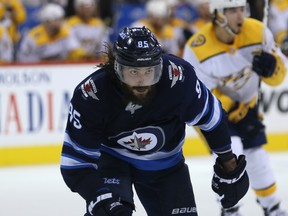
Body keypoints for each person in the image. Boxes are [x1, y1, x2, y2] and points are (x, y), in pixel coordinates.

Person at [60, 26, 249, 216]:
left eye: (149, 71)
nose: (143, 82)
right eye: (133, 72)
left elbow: (212, 118)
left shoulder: (178, 79)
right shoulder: (92, 94)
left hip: (166, 165)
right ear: (116, 68)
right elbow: (75, 165)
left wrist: (229, 162)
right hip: (111, 160)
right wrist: (98, 196)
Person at [182, 0, 288, 215]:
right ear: (218, 15)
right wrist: (233, 107)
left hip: (247, 108)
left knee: (256, 155)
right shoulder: (197, 47)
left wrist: (272, 68)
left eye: (242, 9)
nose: (240, 16)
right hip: (213, 116)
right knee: (232, 153)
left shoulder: (257, 31)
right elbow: (198, 92)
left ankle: (272, 206)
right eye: (232, 10)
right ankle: (229, 208)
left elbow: (281, 73)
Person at [17, 3, 85, 62]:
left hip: (61, 68)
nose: (61, 23)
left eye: (61, 19)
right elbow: (24, 58)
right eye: (57, 20)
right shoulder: (33, 36)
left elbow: (75, 51)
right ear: (47, 22)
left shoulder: (66, 31)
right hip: (40, 70)